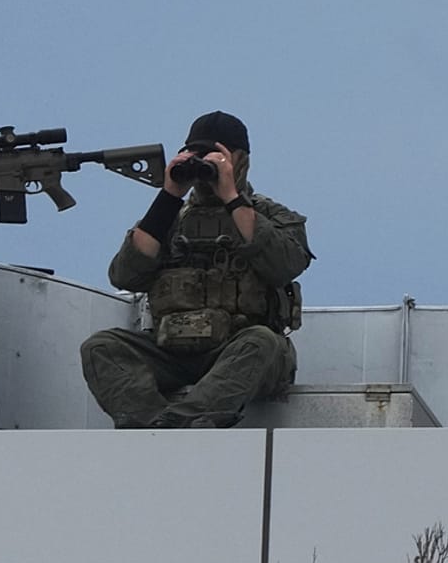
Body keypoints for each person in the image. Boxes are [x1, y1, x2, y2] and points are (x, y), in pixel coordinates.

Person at [80, 111, 313, 428]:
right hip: (171, 352)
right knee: (101, 347)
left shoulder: (272, 216)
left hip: (238, 351)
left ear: (240, 160)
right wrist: (169, 196)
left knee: (264, 342)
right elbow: (124, 276)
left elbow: (284, 265)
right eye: (197, 154)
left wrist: (231, 196)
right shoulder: (170, 220)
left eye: (215, 155)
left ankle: (184, 420)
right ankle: (150, 423)